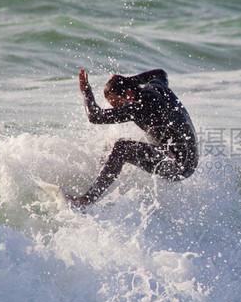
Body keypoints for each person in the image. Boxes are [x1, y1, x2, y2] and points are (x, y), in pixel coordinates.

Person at [68, 68, 198, 207]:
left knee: (121, 148)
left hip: (179, 166)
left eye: (118, 103)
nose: (118, 108)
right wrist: (129, 80)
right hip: (186, 158)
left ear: (129, 93)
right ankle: (99, 184)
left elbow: (94, 116)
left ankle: (86, 201)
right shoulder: (155, 87)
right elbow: (160, 73)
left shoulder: (140, 107)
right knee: (110, 145)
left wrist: (87, 92)